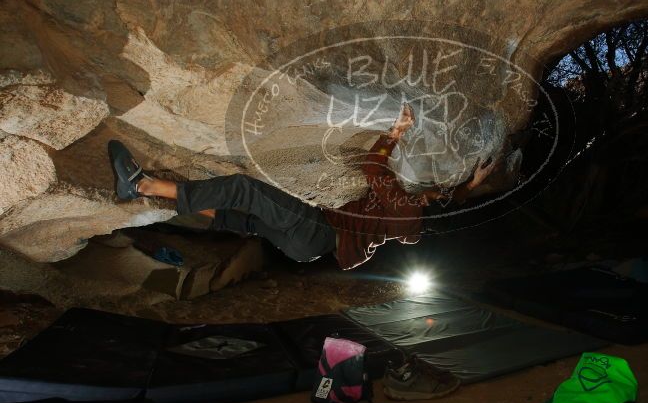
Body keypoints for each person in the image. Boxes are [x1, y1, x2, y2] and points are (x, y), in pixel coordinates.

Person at [108, 104, 497, 270]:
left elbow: (373, 166)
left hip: (318, 229)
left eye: (436, 193)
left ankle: (142, 185)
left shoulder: (407, 208)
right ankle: (161, 198)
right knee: (244, 219)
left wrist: (395, 133)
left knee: (246, 190)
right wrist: (470, 185)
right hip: (309, 249)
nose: (433, 190)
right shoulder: (417, 222)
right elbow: (449, 202)